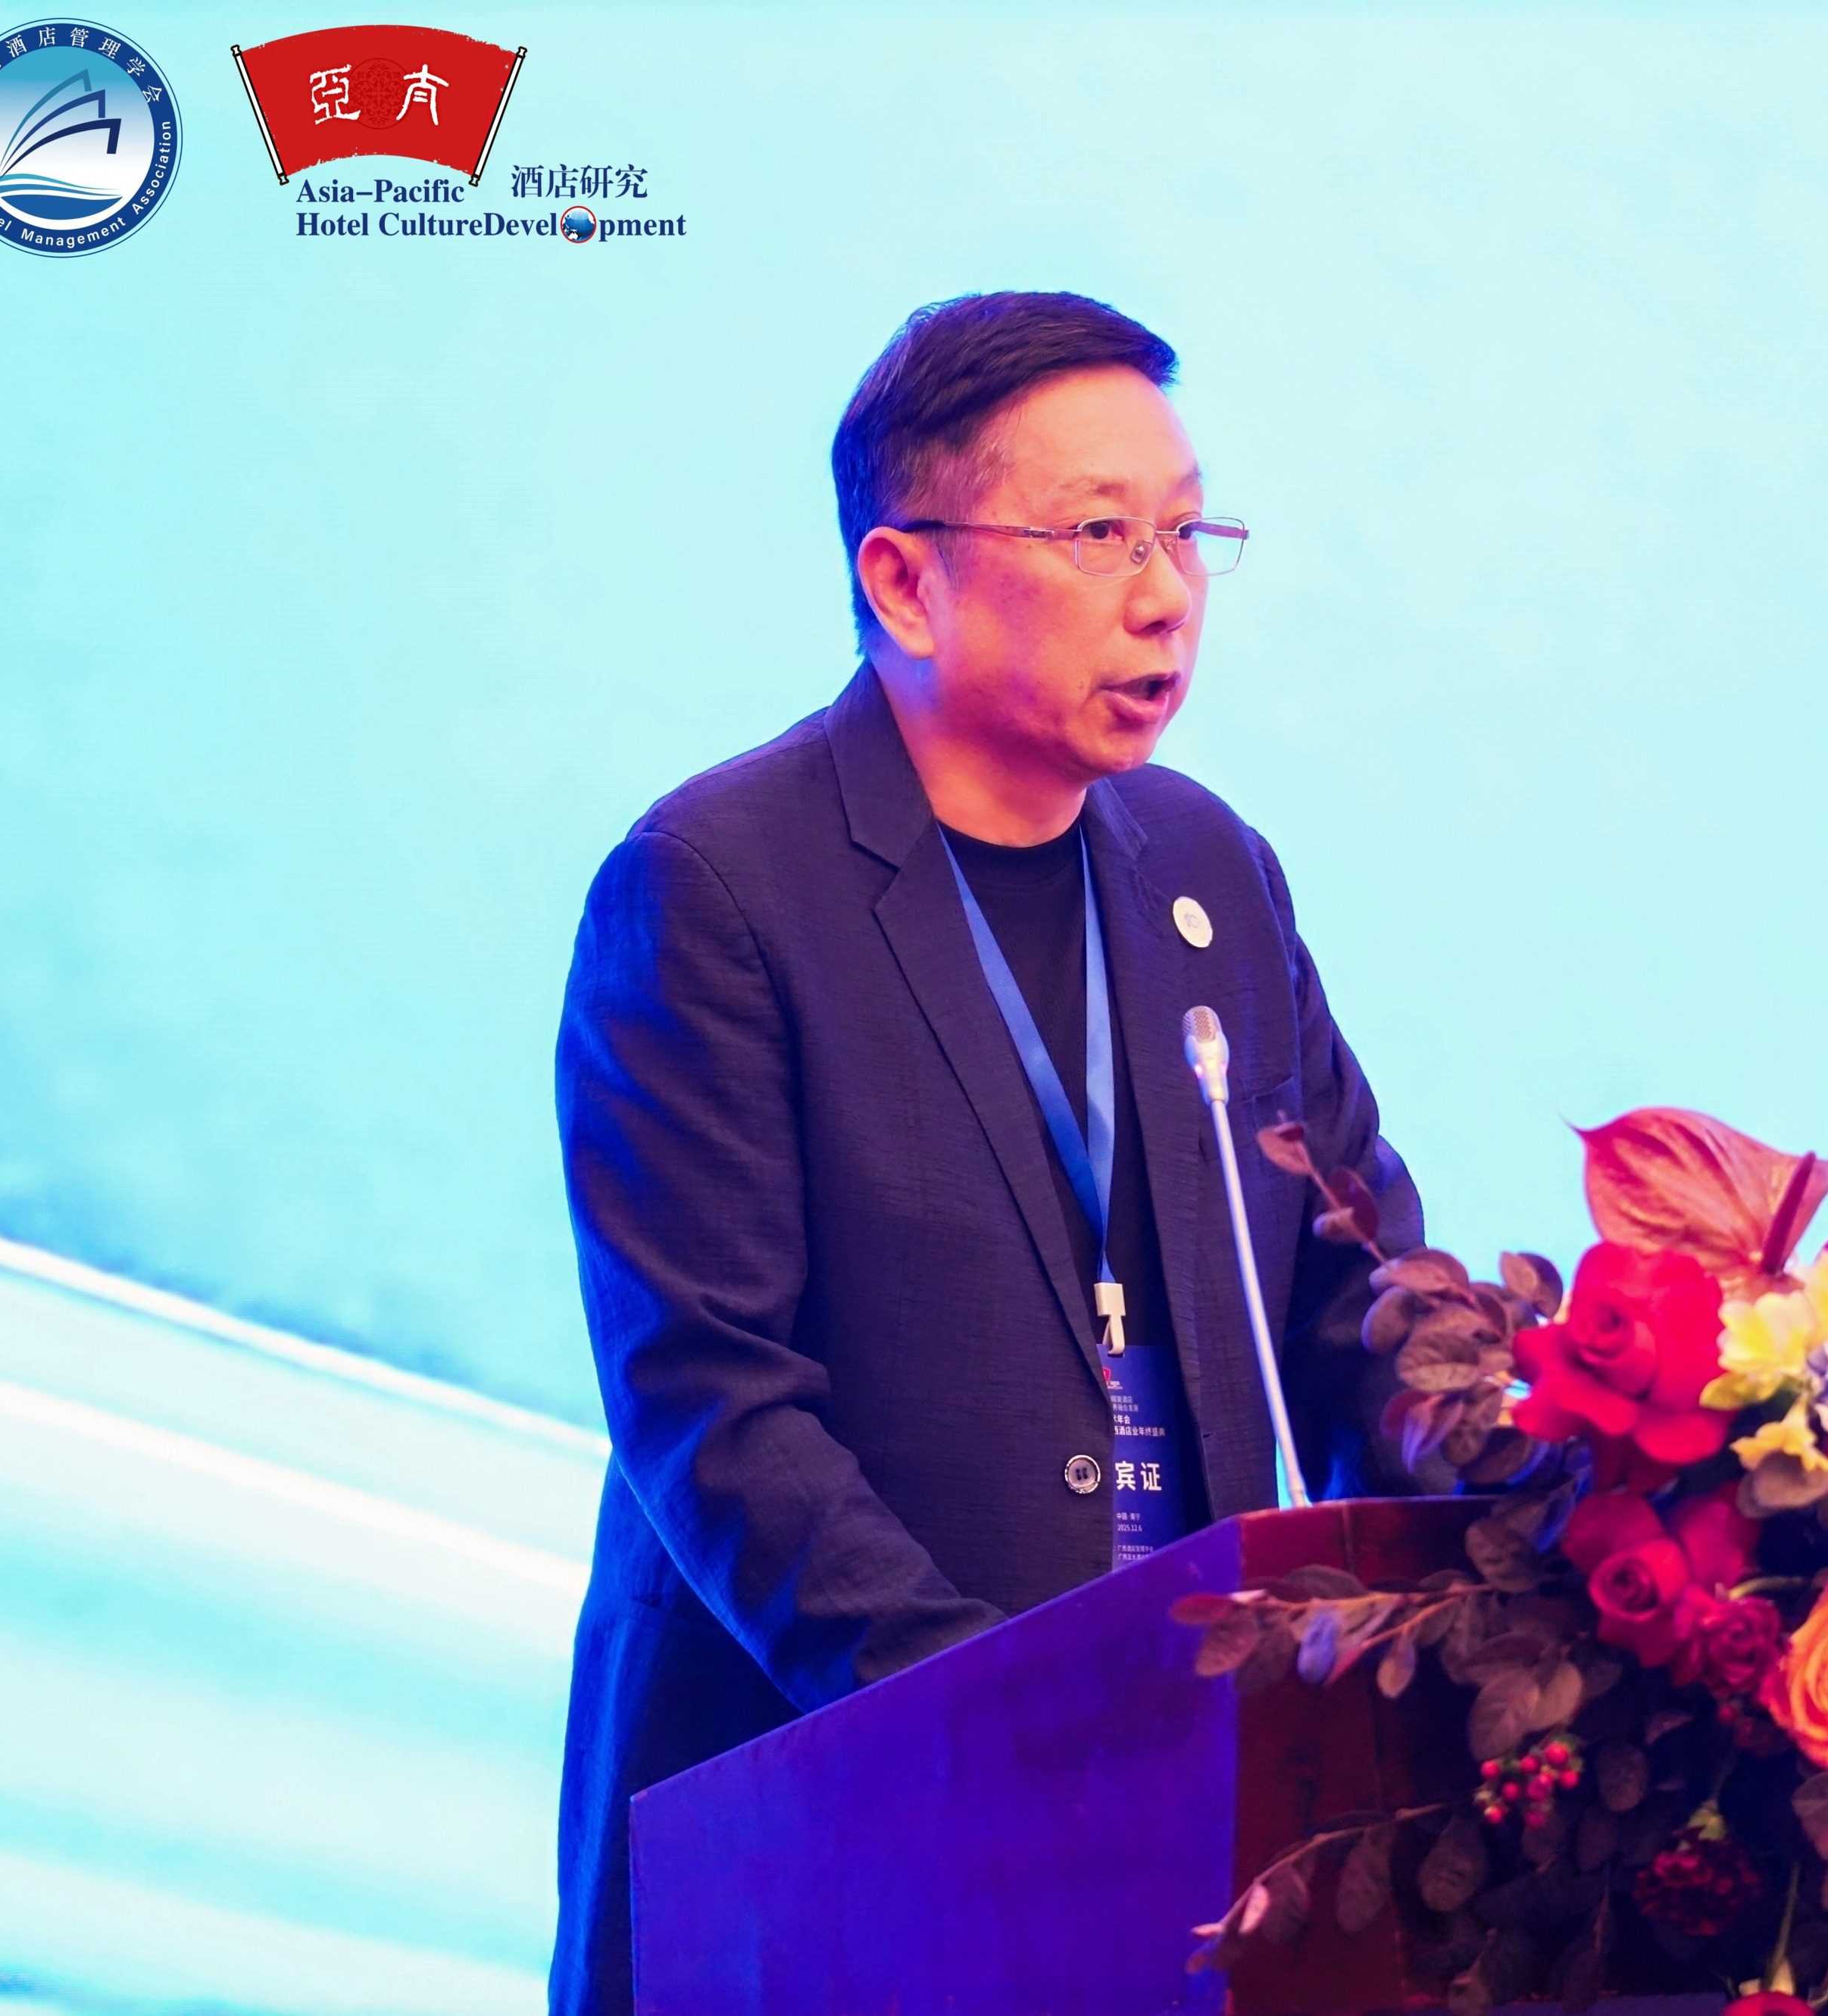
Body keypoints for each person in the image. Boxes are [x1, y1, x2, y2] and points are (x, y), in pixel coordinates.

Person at [545, 290, 1421, 2014]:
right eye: (1098, 535)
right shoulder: (718, 887)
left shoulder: (1207, 868)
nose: (1165, 593)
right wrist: (999, 1725)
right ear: (903, 581)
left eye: (1186, 532)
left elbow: (1357, 1292)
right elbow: (714, 1405)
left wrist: (1577, 1497)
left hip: (1199, 1805)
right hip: (838, 1817)